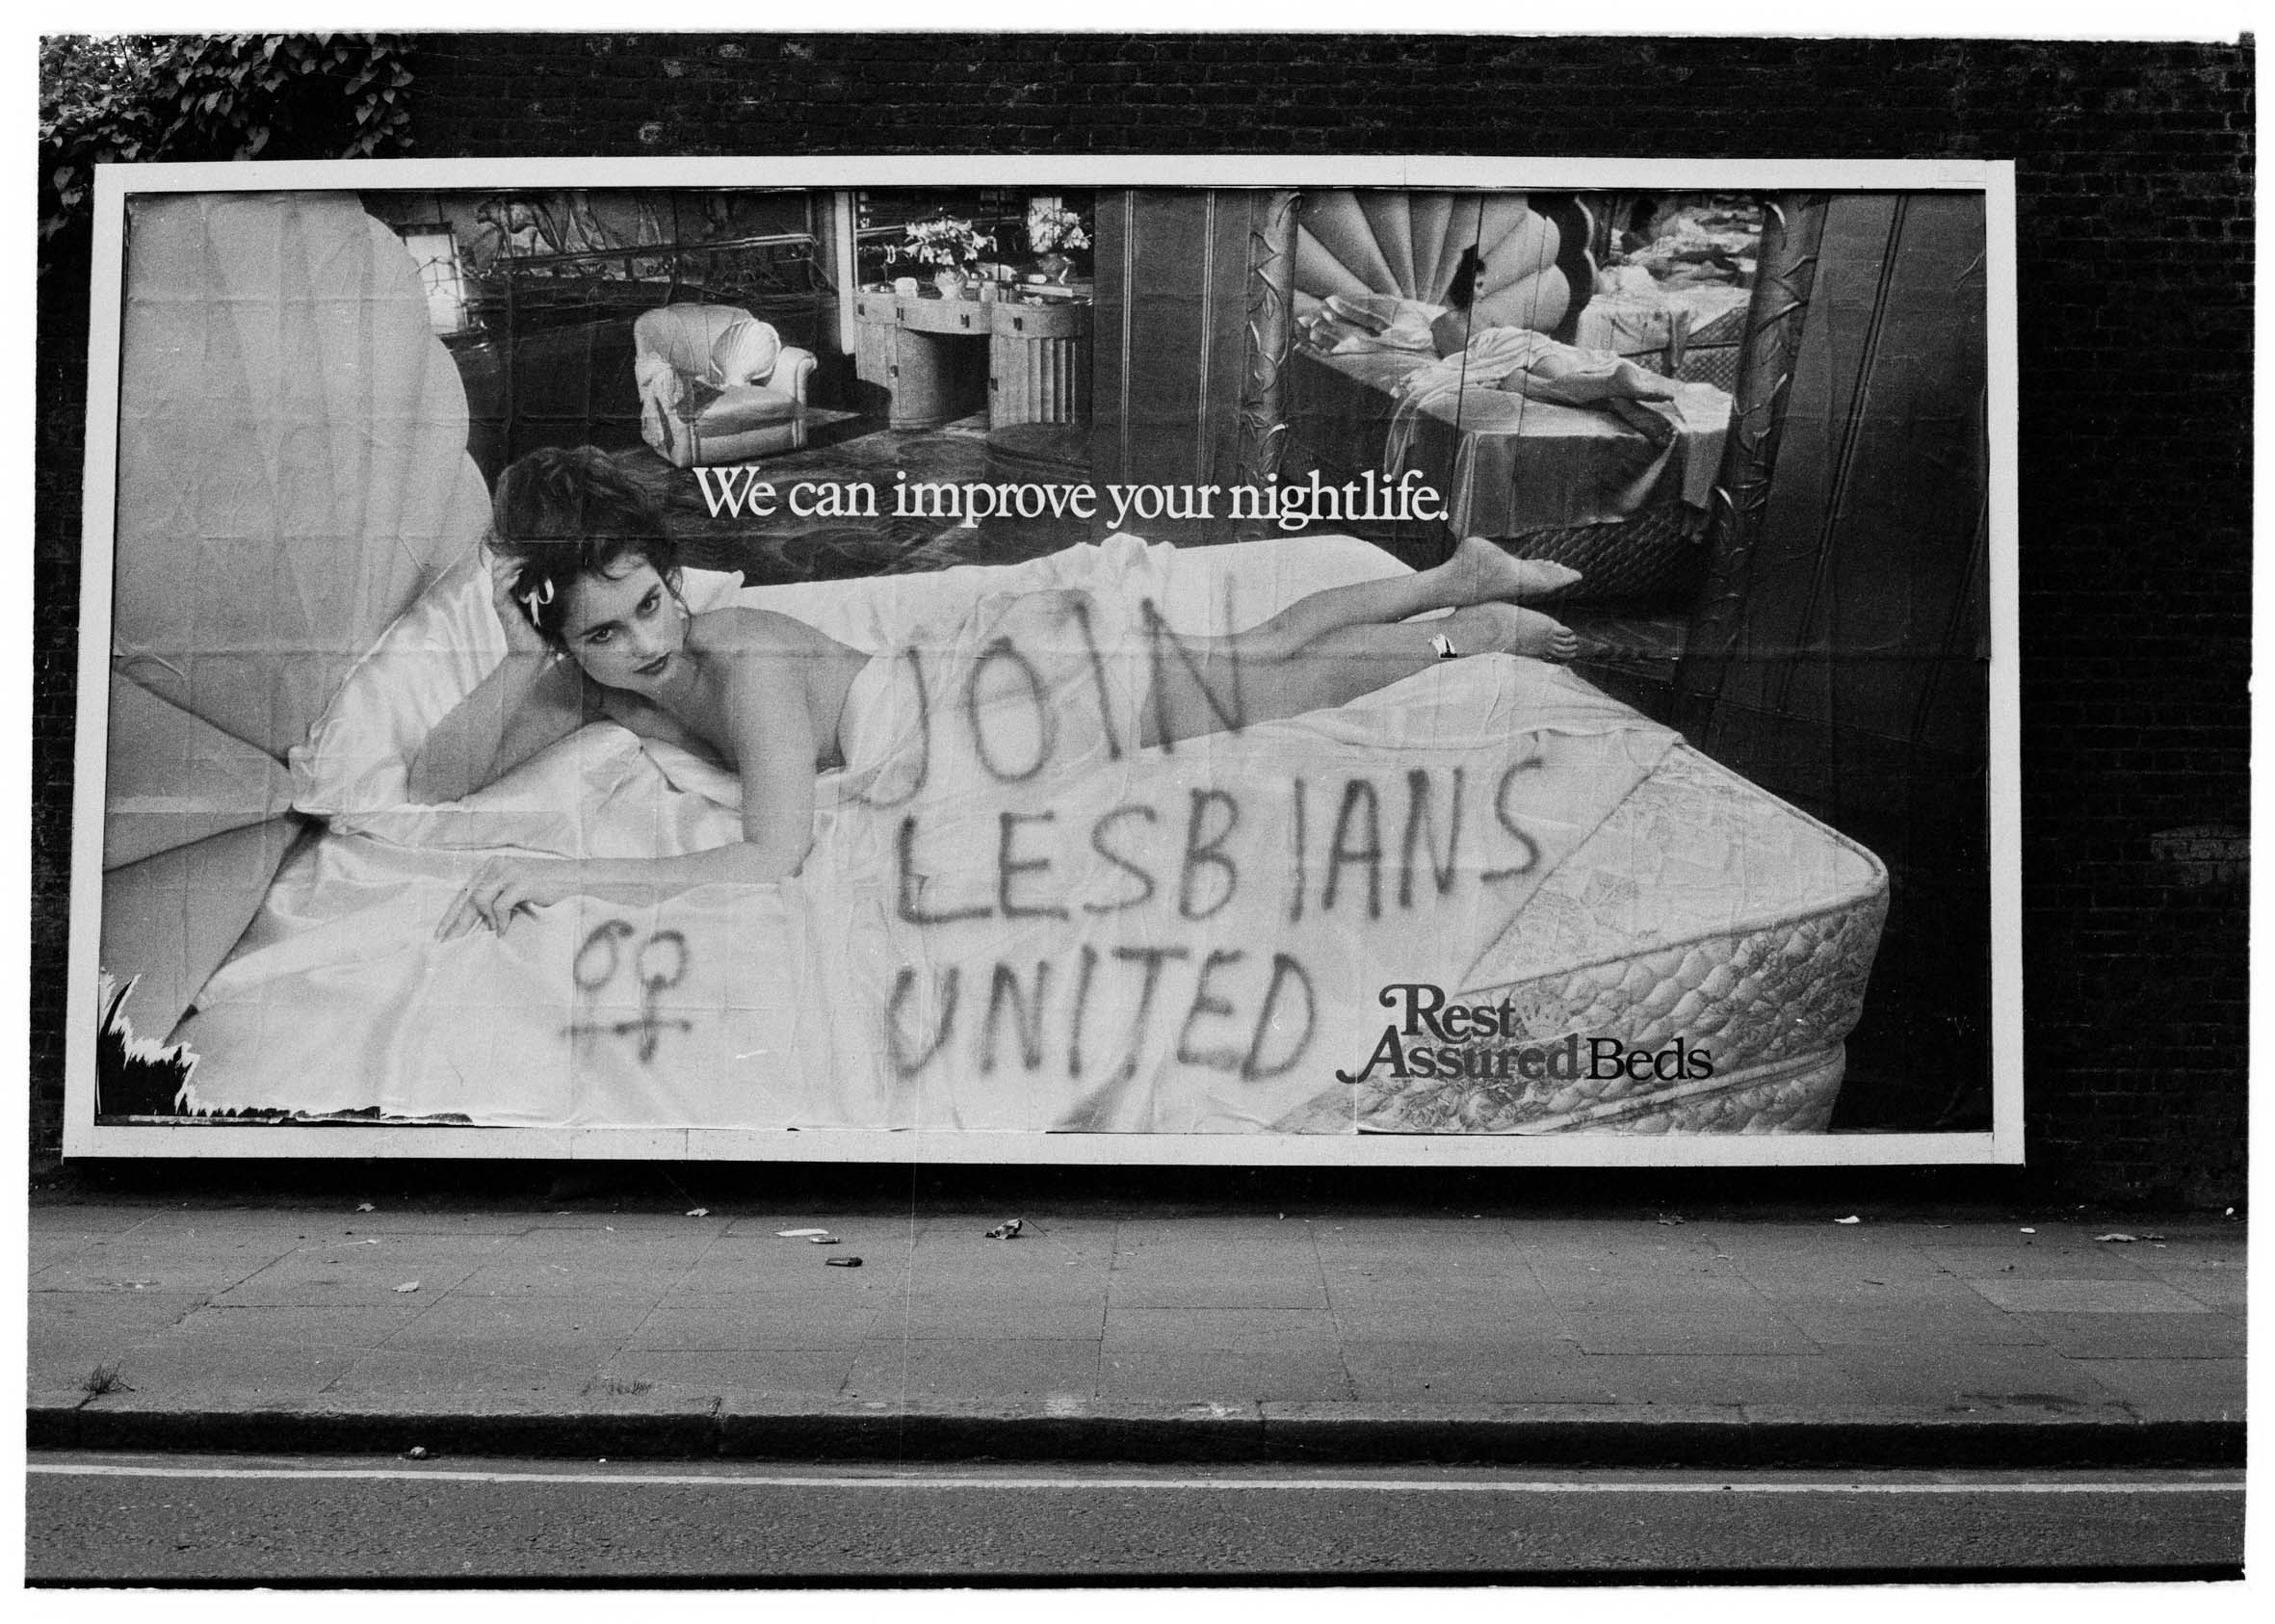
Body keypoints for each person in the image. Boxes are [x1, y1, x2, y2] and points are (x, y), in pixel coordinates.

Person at [415, 446, 1583, 939]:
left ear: (677, 582)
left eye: (650, 607)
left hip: (999, 714)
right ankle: (1451, 577)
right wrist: (536, 638)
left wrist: (567, 876)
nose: (640, 645)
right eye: (607, 635)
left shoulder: (740, 659)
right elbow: (441, 770)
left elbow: (770, 857)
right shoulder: (614, 678)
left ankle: (1464, 637)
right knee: (1250, 651)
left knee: (1256, 685)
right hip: (974, 698)